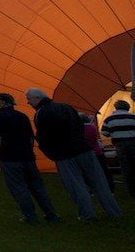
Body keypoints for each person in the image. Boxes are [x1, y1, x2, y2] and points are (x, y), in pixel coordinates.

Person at [25, 88, 120, 220]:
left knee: (75, 185)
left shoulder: (41, 114)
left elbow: (44, 137)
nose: (28, 102)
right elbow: (80, 126)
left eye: (28, 99)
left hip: (64, 154)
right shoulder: (65, 107)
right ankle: (114, 211)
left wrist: (50, 153)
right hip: (83, 149)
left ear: (37, 98)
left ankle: (87, 214)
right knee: (99, 181)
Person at [0, 93, 61, 223]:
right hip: (27, 157)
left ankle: (30, 216)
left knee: (18, 187)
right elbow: (31, 138)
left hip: (9, 158)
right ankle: (51, 214)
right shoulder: (23, 116)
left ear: (4, 102)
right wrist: (28, 150)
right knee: (37, 186)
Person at [101, 99, 135, 198]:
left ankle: (132, 191)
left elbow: (104, 133)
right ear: (128, 107)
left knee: (126, 168)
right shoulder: (133, 117)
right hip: (133, 143)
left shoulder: (109, 119)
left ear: (116, 107)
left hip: (120, 145)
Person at [80, 113, 114, 194]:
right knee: (104, 170)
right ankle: (110, 188)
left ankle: (93, 188)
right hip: (98, 152)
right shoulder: (93, 127)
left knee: (87, 172)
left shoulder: (80, 129)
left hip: (87, 153)